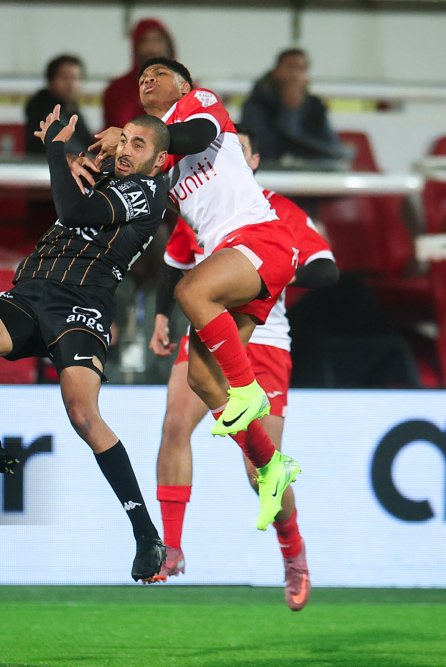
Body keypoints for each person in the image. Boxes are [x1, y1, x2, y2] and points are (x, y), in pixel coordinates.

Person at [0, 105, 170, 581]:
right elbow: (75, 196)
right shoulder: (103, 176)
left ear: (158, 162)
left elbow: (73, 211)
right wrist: (73, 160)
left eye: (140, 145)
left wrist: (56, 147)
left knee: (82, 414)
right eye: (125, 139)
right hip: (33, 286)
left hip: (82, 300)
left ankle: (144, 534)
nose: (126, 149)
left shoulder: (148, 193)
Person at [90, 57, 301, 531]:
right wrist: (103, 158)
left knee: (193, 291)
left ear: (183, 84)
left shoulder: (199, 105)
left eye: (158, 75)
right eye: (142, 78)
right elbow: (129, 206)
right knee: (203, 381)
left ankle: (246, 392)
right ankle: (271, 467)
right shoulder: (156, 157)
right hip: (234, 262)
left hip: (261, 239)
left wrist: (129, 134)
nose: (147, 80)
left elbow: (196, 138)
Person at [147, 126, 338, 610]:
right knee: (174, 425)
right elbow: (173, 265)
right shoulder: (200, 205)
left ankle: (293, 550)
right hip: (209, 332)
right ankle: (169, 547)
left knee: (259, 473)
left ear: (250, 161)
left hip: (266, 341)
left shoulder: (279, 210)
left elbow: (326, 269)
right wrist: (161, 317)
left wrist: (269, 269)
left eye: (236, 151)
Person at [241, 48, 345, 163]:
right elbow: (263, 152)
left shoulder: (314, 106)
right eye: (290, 67)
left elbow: (334, 150)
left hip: (309, 175)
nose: (295, 75)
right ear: (276, 72)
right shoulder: (256, 105)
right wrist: (288, 110)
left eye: (301, 69)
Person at [102, 18, 175, 130]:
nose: (152, 48)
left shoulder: (187, 89)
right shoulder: (117, 90)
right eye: (145, 41)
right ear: (135, 46)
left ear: (168, 45)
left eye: (158, 40)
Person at [25, 54, 94, 156]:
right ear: (50, 81)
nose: (71, 84)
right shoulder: (44, 111)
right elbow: (68, 151)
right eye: (64, 78)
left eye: (76, 78)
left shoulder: (71, 109)